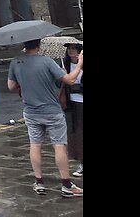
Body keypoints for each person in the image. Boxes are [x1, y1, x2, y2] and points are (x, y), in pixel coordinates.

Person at [8, 39, 84, 197]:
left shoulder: (15, 62)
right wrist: (80, 64)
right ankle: (66, 185)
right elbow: (69, 80)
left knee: (35, 145)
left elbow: (11, 86)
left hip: (30, 111)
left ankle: (39, 182)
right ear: (39, 45)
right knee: (59, 146)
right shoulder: (46, 61)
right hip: (52, 112)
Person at [64, 42, 83, 178]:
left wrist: (74, 86)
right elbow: (57, 83)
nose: (71, 51)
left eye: (73, 48)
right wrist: (62, 77)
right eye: (69, 49)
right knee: (75, 134)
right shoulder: (65, 65)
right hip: (70, 104)